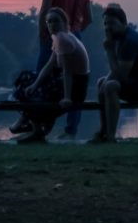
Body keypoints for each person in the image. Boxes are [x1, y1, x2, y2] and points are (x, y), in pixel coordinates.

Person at [22, 0, 91, 138]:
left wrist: (42, 34)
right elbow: (89, 18)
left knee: (41, 77)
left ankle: (36, 126)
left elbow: (45, 9)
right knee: (76, 82)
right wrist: (74, 31)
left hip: (54, 35)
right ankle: (71, 130)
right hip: (76, 36)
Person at [92, 4, 138, 143]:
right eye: (105, 24)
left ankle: (110, 137)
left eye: (112, 23)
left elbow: (120, 76)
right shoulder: (120, 39)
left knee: (110, 86)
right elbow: (118, 72)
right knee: (102, 82)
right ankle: (103, 132)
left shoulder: (129, 41)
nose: (108, 27)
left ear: (124, 23)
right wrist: (103, 84)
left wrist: (109, 50)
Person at [18, 8, 90, 144]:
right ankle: (34, 128)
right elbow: (50, 65)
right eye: (49, 22)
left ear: (64, 22)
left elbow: (67, 72)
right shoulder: (58, 38)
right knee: (27, 79)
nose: (52, 24)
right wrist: (34, 84)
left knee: (35, 94)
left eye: (56, 21)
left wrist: (67, 98)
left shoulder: (63, 39)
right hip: (66, 81)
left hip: (76, 87)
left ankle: (37, 130)